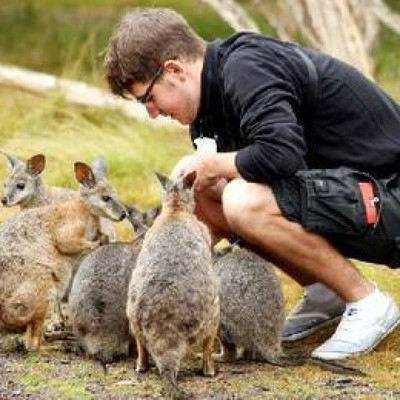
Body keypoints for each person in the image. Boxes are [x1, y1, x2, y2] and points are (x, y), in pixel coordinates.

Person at [104, 8, 400, 360]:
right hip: (351, 198)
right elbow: (206, 222)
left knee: (243, 200)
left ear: (173, 70)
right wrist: (153, 280)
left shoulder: (247, 68)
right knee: (198, 190)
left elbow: (282, 154)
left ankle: (366, 301)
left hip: (388, 193)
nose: (151, 112)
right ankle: (325, 293)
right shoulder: (208, 110)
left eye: (147, 99)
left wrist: (213, 164)